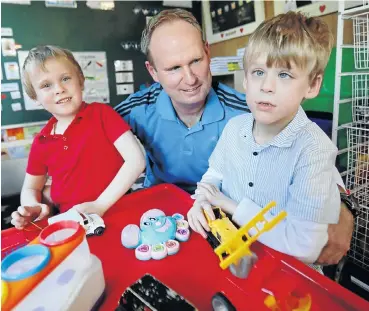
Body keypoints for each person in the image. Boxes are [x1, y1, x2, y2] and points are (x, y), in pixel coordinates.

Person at [114, 9, 353, 265]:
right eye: (173, 68)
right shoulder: (135, 110)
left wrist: (341, 206)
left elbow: (308, 150)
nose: (190, 78)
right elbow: (90, 135)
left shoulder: (251, 109)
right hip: (165, 219)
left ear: (208, 52)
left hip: (232, 228)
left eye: (195, 60)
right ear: (153, 71)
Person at [188, 11, 343, 267]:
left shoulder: (314, 150)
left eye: (284, 75)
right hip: (230, 254)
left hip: (285, 276)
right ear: (246, 80)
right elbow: (213, 176)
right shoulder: (234, 127)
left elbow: (305, 247)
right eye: (258, 72)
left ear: (312, 85)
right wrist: (201, 202)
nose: (266, 86)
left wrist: (231, 205)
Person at [11, 45, 146, 229]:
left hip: (122, 213)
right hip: (73, 225)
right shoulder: (41, 142)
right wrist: (32, 206)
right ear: (35, 96)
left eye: (65, 78)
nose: (59, 89)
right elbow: (31, 188)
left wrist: (99, 205)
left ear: (81, 81)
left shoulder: (102, 114)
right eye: (46, 85)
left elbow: (136, 160)